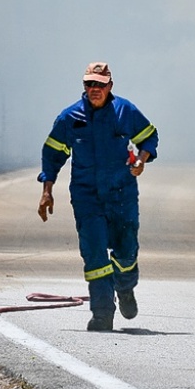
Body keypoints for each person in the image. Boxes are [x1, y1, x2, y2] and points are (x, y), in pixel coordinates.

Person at [37, 62, 158, 332]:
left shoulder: (126, 111)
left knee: (126, 254)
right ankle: (102, 313)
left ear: (110, 86)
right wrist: (47, 191)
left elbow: (149, 137)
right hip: (87, 198)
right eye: (89, 84)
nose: (94, 89)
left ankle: (125, 288)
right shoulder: (70, 118)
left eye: (100, 85)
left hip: (122, 196)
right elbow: (52, 155)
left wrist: (141, 159)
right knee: (95, 257)